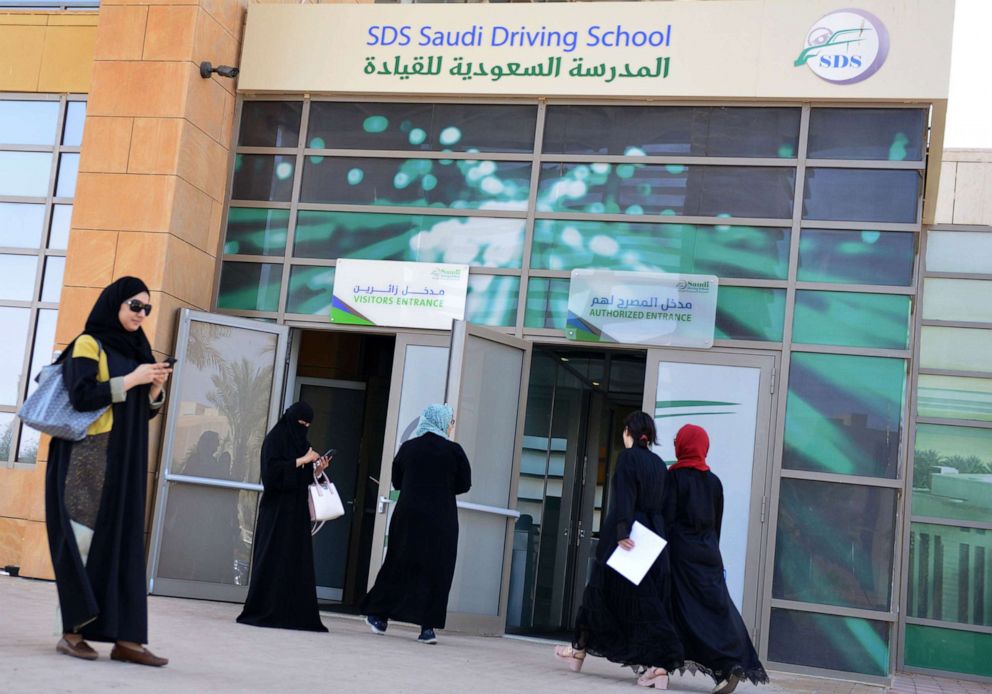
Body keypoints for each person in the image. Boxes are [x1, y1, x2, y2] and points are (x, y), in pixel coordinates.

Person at [45, 276, 174, 666]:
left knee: (124, 545)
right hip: (88, 459)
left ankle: (127, 640)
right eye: (135, 305)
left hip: (127, 460)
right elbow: (81, 396)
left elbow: (140, 412)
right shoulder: (88, 343)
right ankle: (71, 634)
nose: (141, 314)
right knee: (82, 541)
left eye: (147, 308)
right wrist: (132, 379)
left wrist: (151, 392)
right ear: (114, 303)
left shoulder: (139, 349)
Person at [554, 411, 684, 690]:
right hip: (654, 537)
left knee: (600, 592)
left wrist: (622, 530)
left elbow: (624, 496)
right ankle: (654, 667)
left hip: (629, 536)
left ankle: (579, 651)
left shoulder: (627, 458)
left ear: (629, 432)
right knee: (645, 599)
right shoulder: (660, 464)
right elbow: (665, 507)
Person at [667, 424, 769, 694]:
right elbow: (716, 524)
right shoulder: (714, 482)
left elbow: (666, 519)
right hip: (709, 554)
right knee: (717, 613)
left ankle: (660, 662)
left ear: (683, 446)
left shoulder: (673, 478)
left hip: (681, 555)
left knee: (685, 614)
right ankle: (729, 664)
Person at [360, 404, 471, 645]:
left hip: (409, 517)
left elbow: (397, 482)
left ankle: (379, 616)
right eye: (451, 422)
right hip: (441, 520)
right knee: (437, 569)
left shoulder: (408, 448)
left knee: (399, 563)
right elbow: (464, 484)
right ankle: (427, 628)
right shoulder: (454, 451)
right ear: (443, 422)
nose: (452, 426)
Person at [237, 402, 329, 632]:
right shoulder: (275, 440)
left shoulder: (301, 443)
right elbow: (271, 474)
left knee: (295, 560)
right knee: (272, 557)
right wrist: (302, 461)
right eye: (301, 423)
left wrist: (317, 469)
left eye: (308, 425)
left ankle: (293, 613)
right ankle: (265, 609)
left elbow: (304, 477)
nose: (304, 428)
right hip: (276, 511)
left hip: (297, 512)